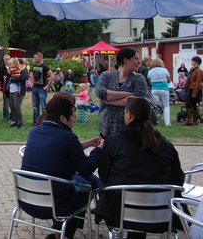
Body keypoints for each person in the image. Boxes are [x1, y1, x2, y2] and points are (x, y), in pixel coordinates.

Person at [95, 97, 184, 238]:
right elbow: (178, 179)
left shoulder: (114, 141)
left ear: (129, 115)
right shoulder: (166, 145)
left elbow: (104, 175)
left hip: (119, 213)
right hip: (161, 214)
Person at [21, 93, 103, 239]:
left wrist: (89, 143)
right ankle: (64, 234)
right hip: (54, 204)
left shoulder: (34, 132)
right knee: (85, 190)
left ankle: (58, 233)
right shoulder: (68, 137)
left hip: (27, 199)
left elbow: (61, 148)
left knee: (75, 186)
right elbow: (86, 169)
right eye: (72, 116)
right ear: (63, 118)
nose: (74, 120)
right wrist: (98, 151)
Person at [96, 48, 148, 137]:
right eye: (135, 58)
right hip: (107, 127)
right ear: (125, 60)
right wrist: (129, 94)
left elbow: (138, 100)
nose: (139, 62)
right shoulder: (107, 76)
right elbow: (101, 93)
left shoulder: (138, 78)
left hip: (130, 130)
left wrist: (110, 101)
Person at [30, 52, 54, 125]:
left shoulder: (45, 66)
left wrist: (47, 86)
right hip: (35, 88)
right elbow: (31, 74)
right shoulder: (34, 66)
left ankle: (45, 121)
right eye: (34, 57)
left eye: (36, 57)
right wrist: (32, 83)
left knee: (43, 107)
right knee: (35, 106)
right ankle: (36, 121)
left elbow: (52, 76)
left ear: (40, 57)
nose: (34, 58)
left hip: (42, 89)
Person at [147, 58, 172, 127]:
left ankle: (155, 120)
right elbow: (169, 81)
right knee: (166, 106)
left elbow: (149, 82)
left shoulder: (150, 71)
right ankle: (167, 123)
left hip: (154, 89)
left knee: (155, 106)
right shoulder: (165, 70)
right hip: (164, 89)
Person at [7, 57, 29, 129]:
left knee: (17, 106)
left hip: (19, 91)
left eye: (11, 64)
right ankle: (16, 122)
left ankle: (20, 123)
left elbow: (22, 78)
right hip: (12, 90)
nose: (10, 65)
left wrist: (12, 79)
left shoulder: (22, 71)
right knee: (12, 106)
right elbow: (9, 76)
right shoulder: (13, 70)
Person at [184, 56, 203, 126]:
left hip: (195, 89)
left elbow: (198, 82)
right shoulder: (192, 70)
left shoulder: (199, 71)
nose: (192, 62)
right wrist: (185, 87)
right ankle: (193, 121)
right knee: (191, 104)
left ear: (197, 62)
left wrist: (195, 93)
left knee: (190, 104)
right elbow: (190, 80)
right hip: (191, 88)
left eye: (193, 61)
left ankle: (191, 120)